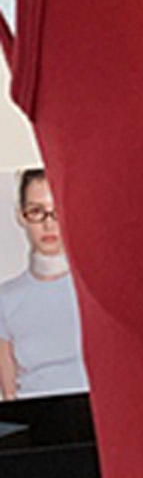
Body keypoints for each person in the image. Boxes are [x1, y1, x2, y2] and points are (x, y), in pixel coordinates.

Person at [0, 169, 89, 400]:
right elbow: (10, 396)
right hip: (34, 416)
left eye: (56, 211)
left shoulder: (93, 291)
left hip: (92, 413)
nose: (48, 224)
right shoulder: (5, 299)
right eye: (36, 211)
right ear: (22, 216)